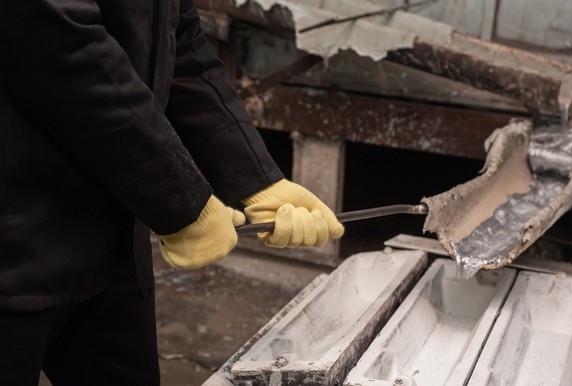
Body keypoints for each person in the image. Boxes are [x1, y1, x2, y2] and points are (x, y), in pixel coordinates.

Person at [0, 1, 344, 385]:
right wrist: (182, 200)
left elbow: (180, 45)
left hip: (111, 235)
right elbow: (57, 44)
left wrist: (258, 180)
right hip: (15, 241)